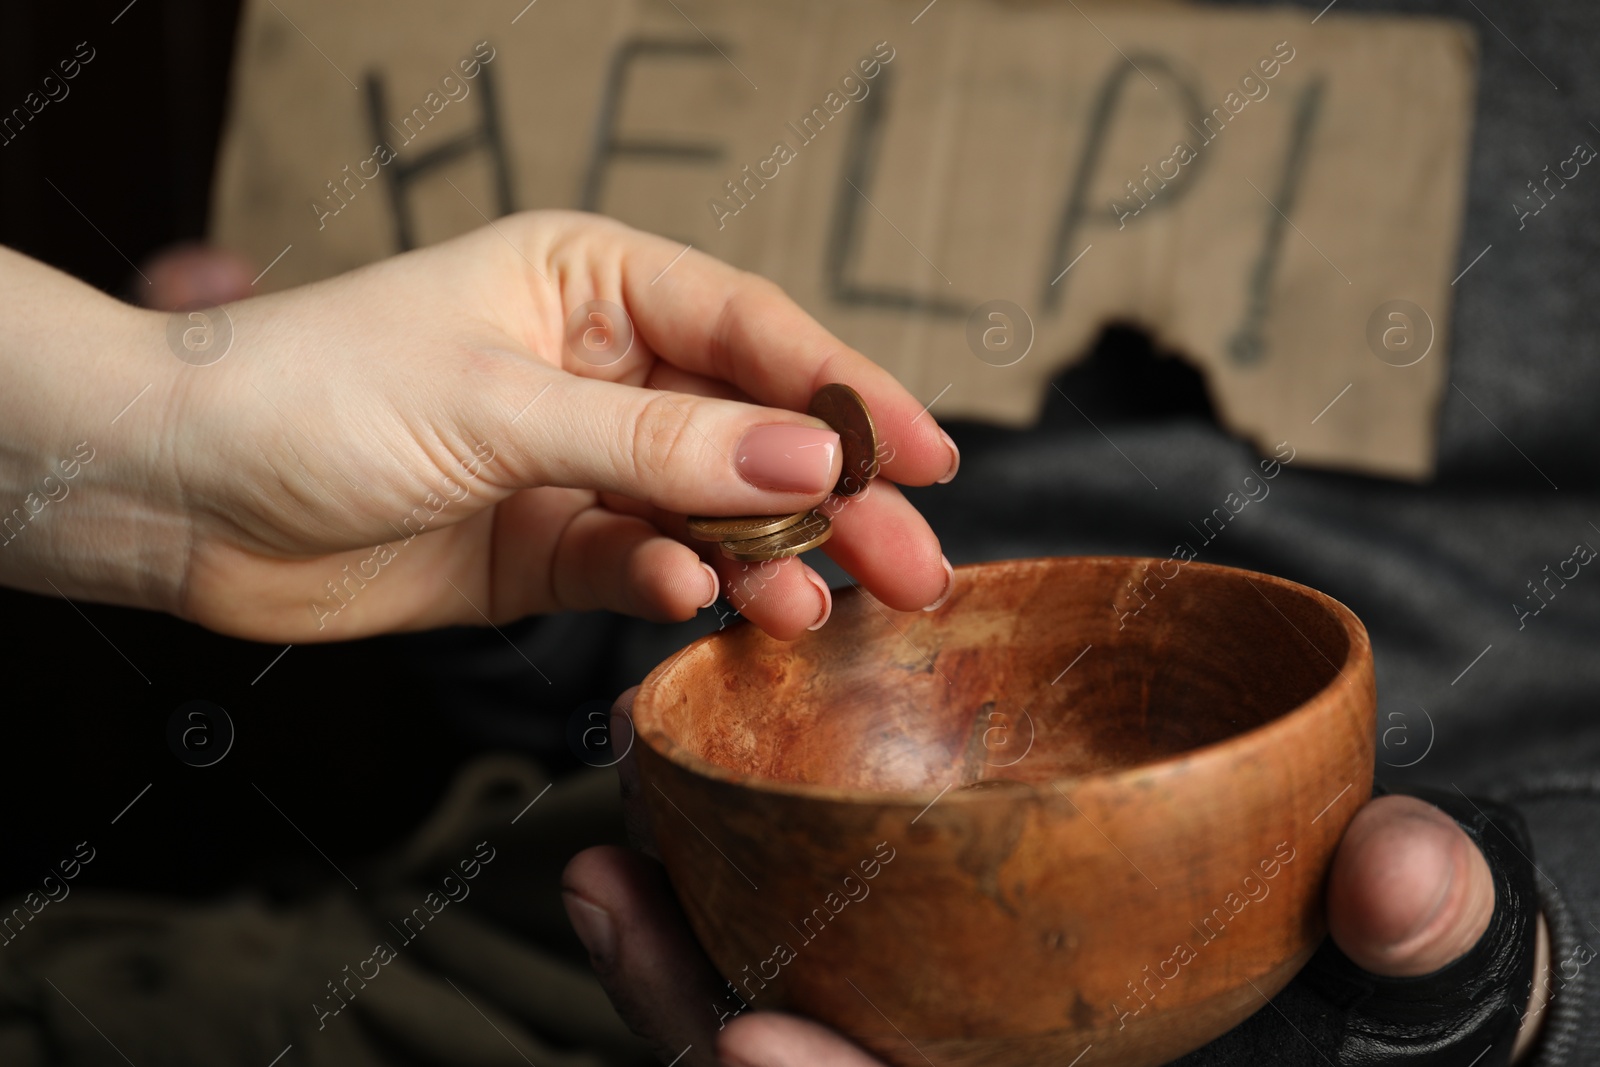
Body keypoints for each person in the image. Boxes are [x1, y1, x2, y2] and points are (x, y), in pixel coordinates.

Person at [1, 205, 1567, 1065]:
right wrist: (165, 436)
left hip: (1404, 901)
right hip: (667, 841)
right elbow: (625, 608)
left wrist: (1545, 977)